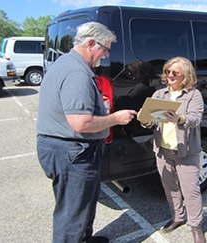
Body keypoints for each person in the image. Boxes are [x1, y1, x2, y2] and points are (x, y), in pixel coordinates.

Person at [36, 22, 137, 243]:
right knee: (73, 212)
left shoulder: (66, 63)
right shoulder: (76, 72)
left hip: (67, 150)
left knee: (82, 205)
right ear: (91, 43)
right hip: (73, 152)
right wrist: (115, 118)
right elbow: (81, 123)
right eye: (106, 49)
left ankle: (83, 239)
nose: (106, 55)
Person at [140, 57, 206, 243]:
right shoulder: (160, 94)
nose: (169, 75)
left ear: (185, 75)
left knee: (191, 191)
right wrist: (146, 121)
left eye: (174, 73)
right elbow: (151, 120)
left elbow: (195, 119)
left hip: (186, 151)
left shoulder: (193, 95)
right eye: (167, 71)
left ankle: (196, 227)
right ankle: (177, 217)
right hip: (163, 150)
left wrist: (179, 118)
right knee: (170, 188)